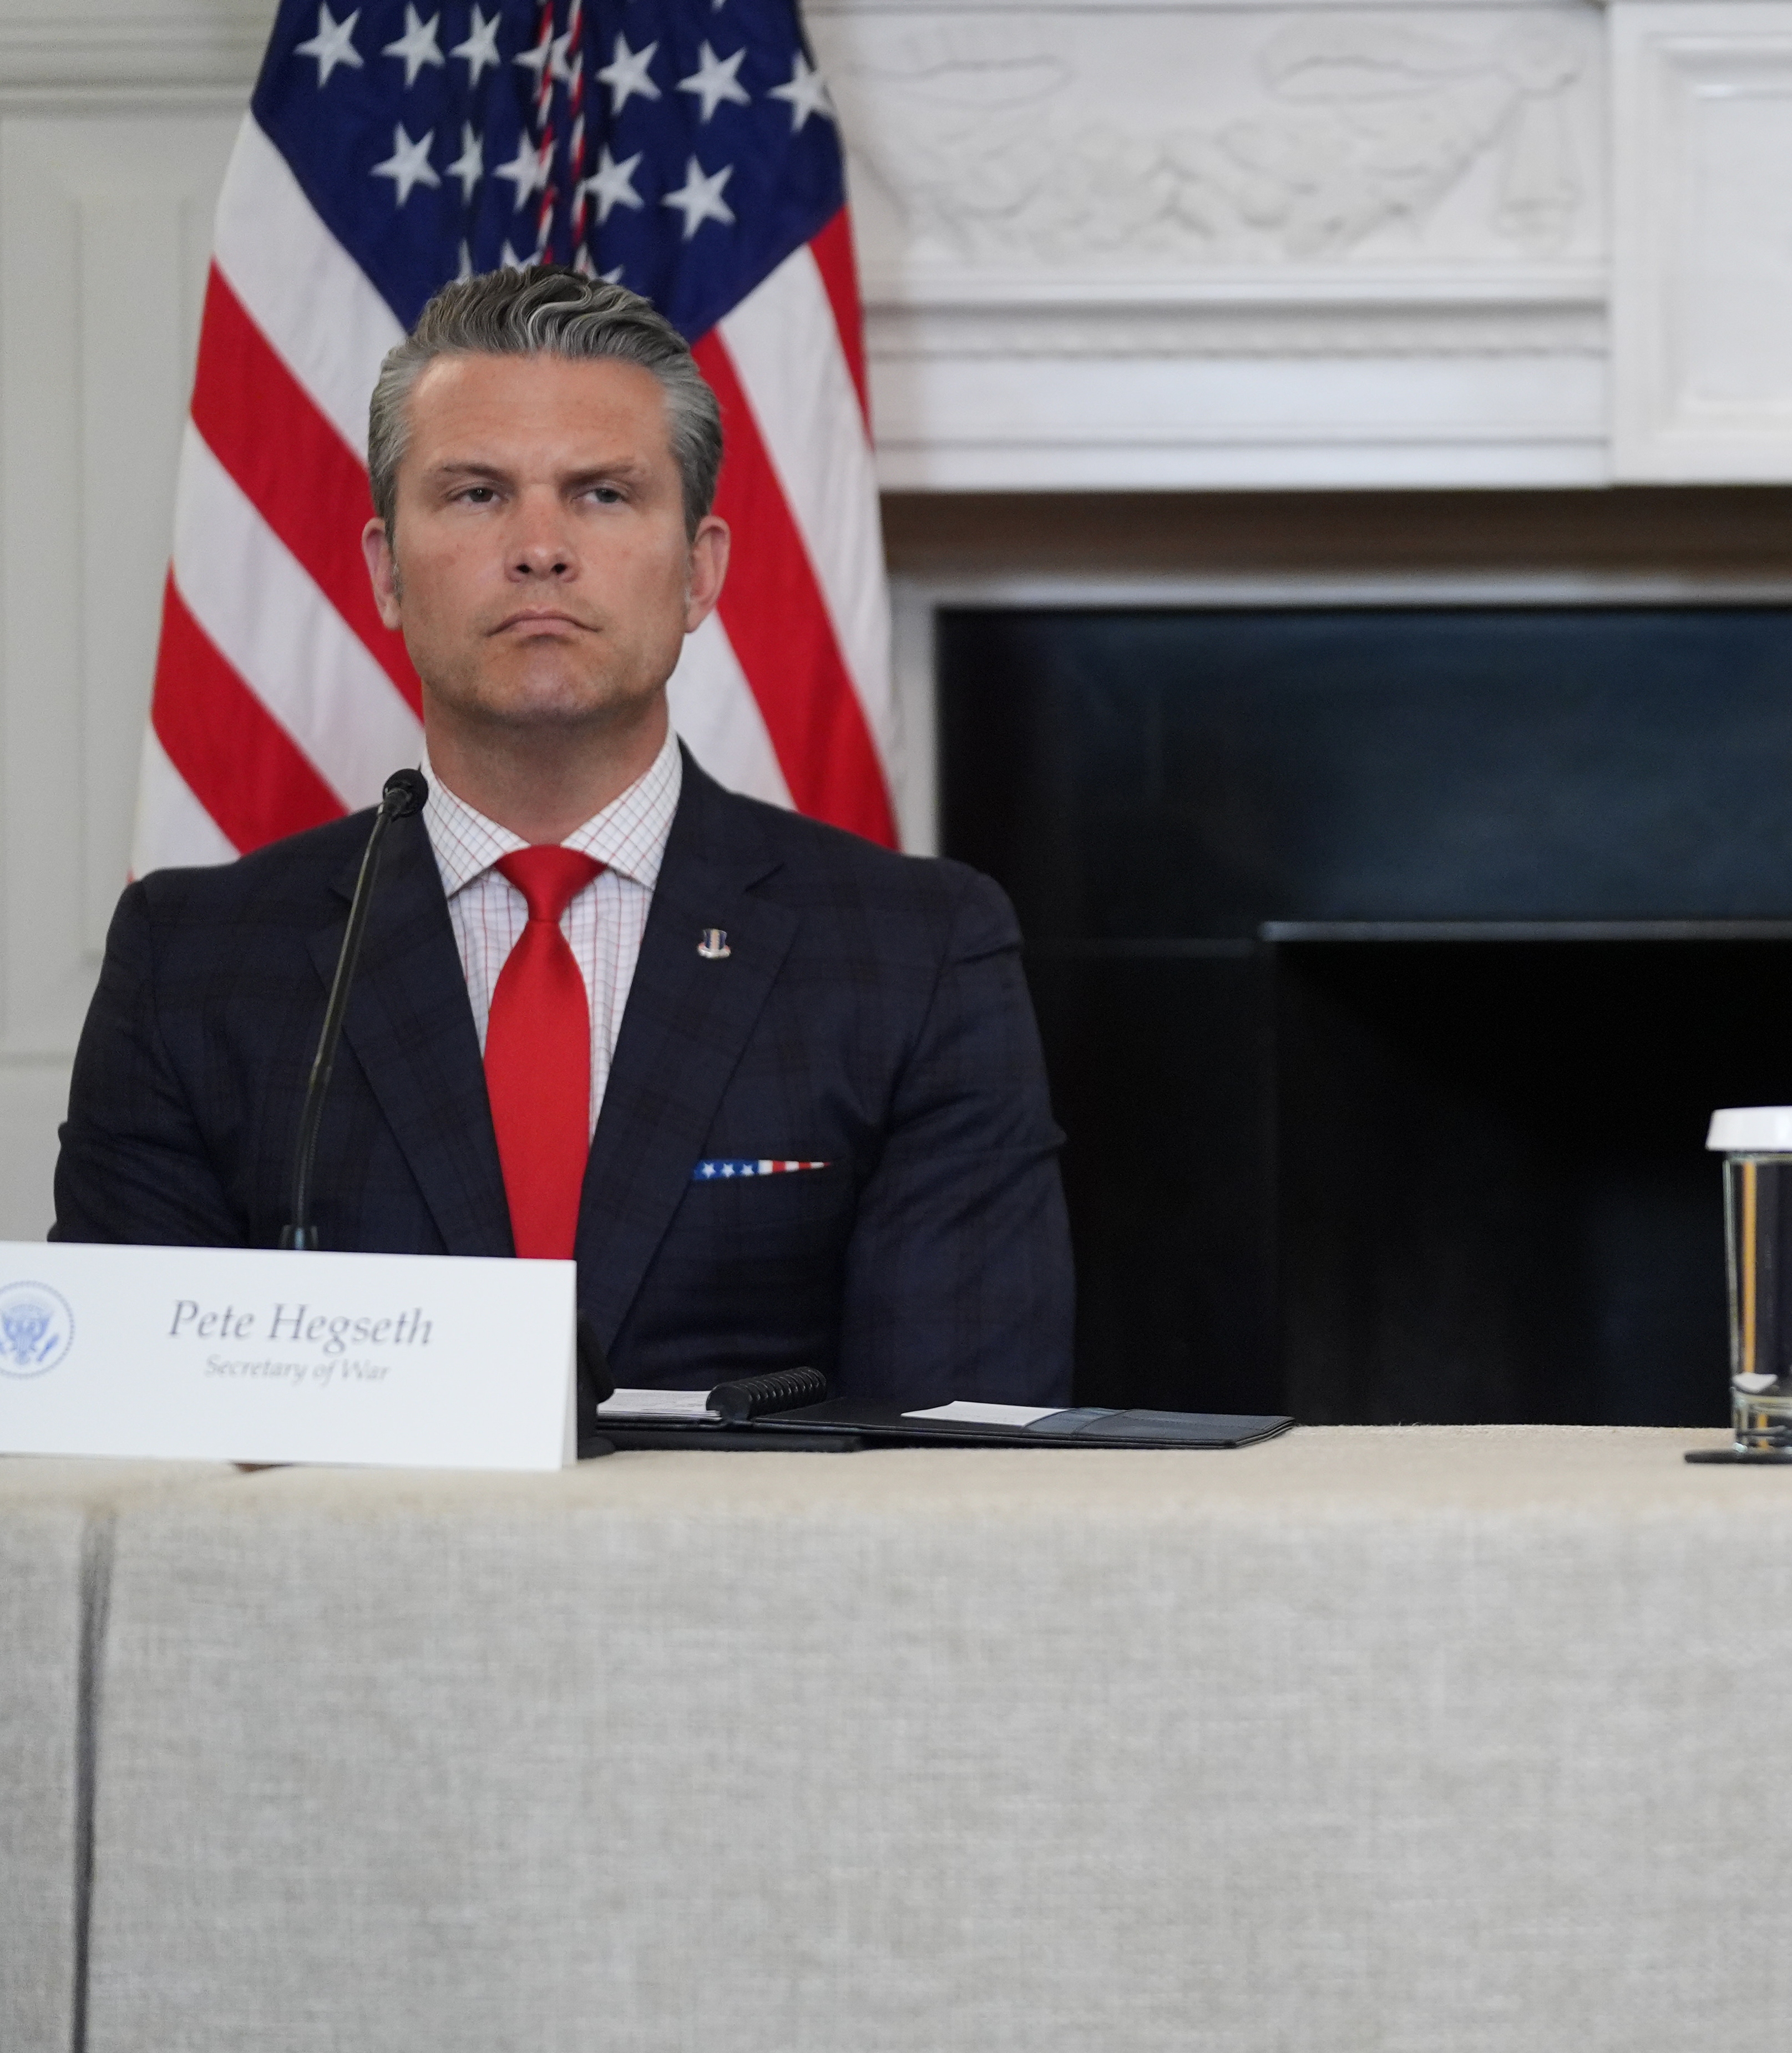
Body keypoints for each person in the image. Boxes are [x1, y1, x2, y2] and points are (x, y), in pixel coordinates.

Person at [53, 266, 1071, 1407]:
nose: (541, 548)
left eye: (601, 494)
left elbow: (956, 1447)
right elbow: (125, 1429)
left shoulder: (916, 954)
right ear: (387, 575)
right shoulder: (193, 961)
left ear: (699, 573)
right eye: (478, 494)